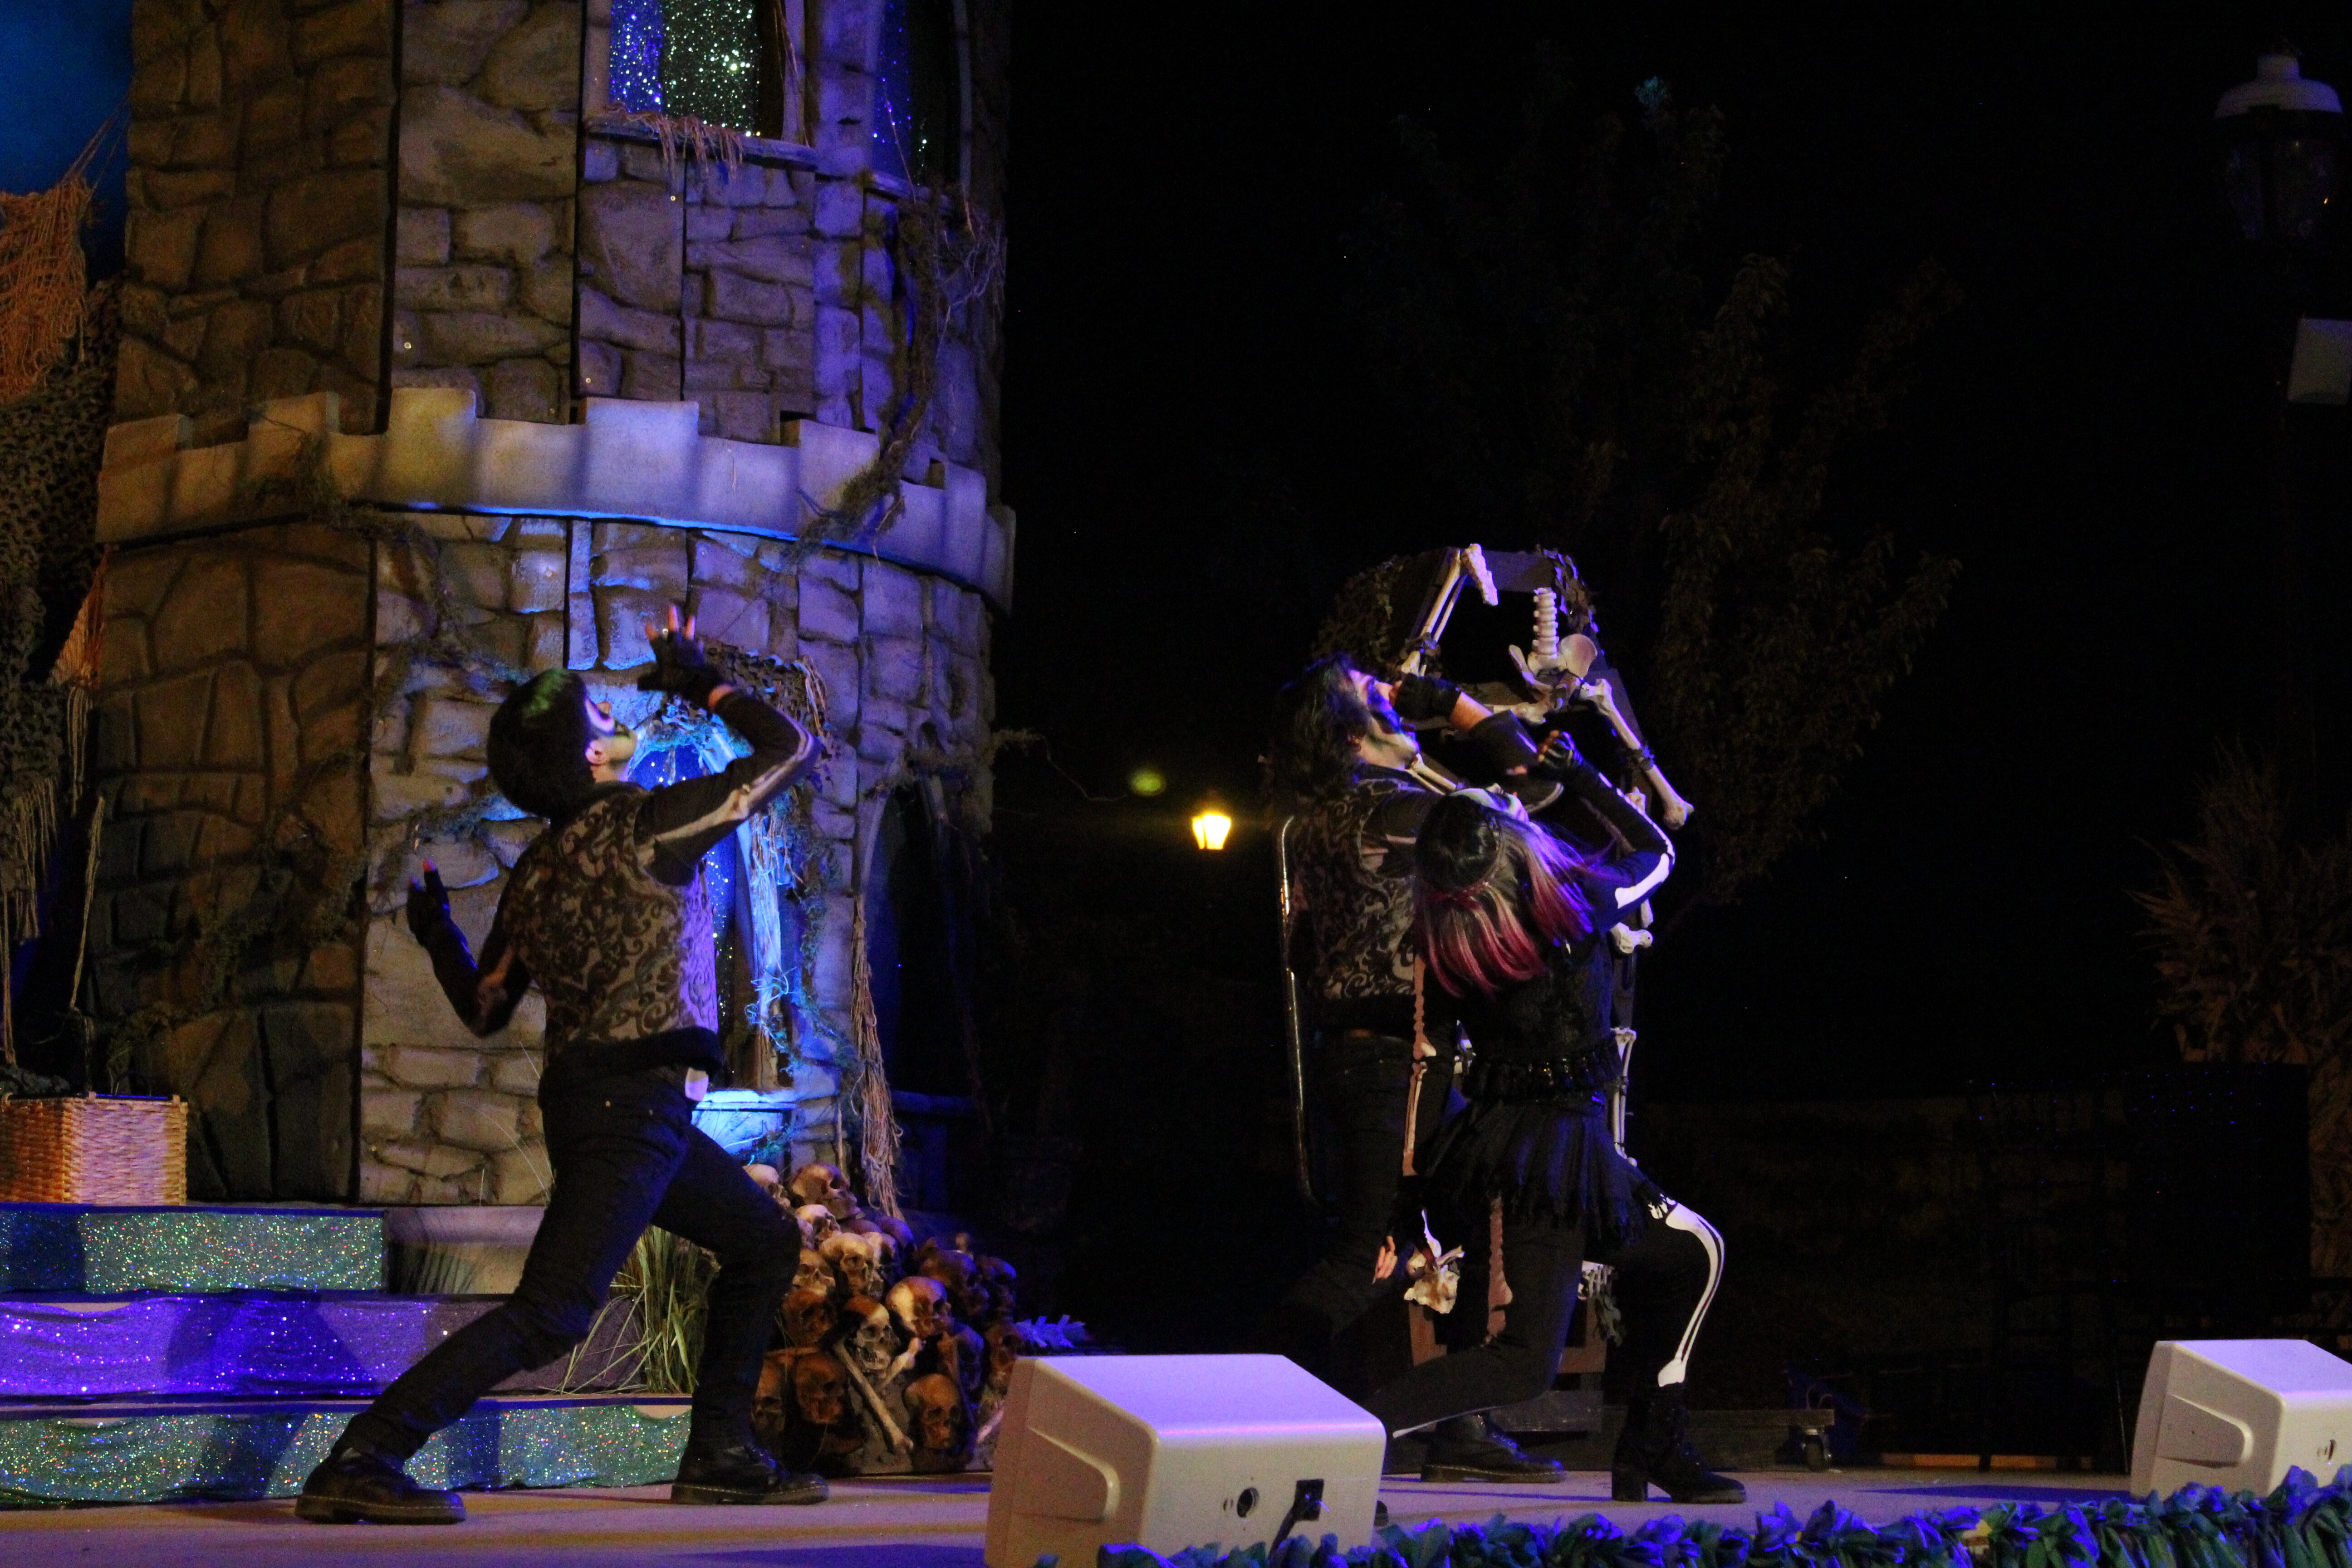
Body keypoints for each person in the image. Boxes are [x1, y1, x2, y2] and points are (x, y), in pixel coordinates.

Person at [297, 609, 827, 1525]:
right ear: (590, 756)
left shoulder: (536, 873)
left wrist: (439, 935)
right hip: (632, 1114)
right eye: (602, 719)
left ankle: (721, 1454)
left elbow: (485, 1007)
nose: (617, 723)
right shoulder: (649, 829)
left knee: (765, 1241)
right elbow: (790, 749)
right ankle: (364, 1456)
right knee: (552, 1313)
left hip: (616, 1112)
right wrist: (702, 682)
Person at [1360, 728, 1742, 1505]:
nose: (1508, 798)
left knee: (1689, 1253)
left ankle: (1653, 1446)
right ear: (1508, 844)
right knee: (1525, 1360)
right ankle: (1343, 1434)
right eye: (1499, 804)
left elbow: (1428, 1064)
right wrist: (1586, 779)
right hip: (1554, 1159)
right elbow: (1660, 852)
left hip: (1528, 1144)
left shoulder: (1451, 940)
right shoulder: (1577, 905)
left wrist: (1411, 1191)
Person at [1262, 652, 1568, 1483]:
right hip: (1398, 1067)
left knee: (1470, 1226)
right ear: (1347, 732)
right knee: (1370, 1253)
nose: (1395, 701)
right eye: (1375, 696)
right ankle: (1264, 1415)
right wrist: (1459, 706)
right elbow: (1535, 795)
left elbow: (1303, 953)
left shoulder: (1325, 823)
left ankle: (1458, 1425)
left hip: (1374, 1062)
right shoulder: (1391, 813)